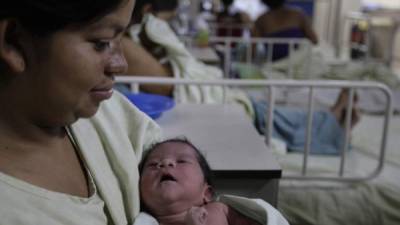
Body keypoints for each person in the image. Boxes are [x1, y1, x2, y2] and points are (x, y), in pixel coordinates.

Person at [0, 0, 164, 224]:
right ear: (14, 42)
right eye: (102, 42)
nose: (121, 64)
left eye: (121, 39)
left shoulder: (107, 113)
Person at [123, 3, 361, 155]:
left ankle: (329, 119)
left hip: (218, 90)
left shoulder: (263, 20)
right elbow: (168, 85)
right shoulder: (297, 15)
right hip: (198, 101)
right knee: (264, 114)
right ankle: (330, 121)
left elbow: (255, 46)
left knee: (264, 112)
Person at [138, 138, 286, 225]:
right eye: (153, 164)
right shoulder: (146, 221)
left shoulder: (218, 210)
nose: (165, 163)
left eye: (182, 161)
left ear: (207, 193)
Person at [253, 0, 318, 61]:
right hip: (298, 62)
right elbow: (314, 40)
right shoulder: (298, 15)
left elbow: (252, 50)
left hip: (274, 64)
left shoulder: (260, 20)